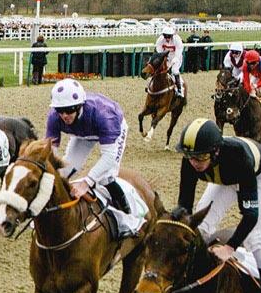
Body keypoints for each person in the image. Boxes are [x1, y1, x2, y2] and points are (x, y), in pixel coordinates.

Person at [175, 118, 261, 293]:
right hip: (224, 177)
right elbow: (185, 207)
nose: (194, 162)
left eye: (200, 157)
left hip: (257, 175)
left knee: (257, 236)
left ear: (215, 152)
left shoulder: (239, 158)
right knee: (200, 228)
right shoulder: (191, 161)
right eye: (190, 157)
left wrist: (230, 247)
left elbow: (250, 216)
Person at [44, 79, 140, 237]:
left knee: (106, 177)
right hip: (82, 134)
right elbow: (51, 153)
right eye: (60, 111)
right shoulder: (54, 117)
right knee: (63, 173)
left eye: (69, 110)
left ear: (79, 106)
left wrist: (86, 182)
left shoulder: (103, 115)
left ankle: (129, 218)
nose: (64, 116)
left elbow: (108, 157)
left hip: (112, 128)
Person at [154, 26, 186, 97]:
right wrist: (164, 59)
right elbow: (159, 50)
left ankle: (180, 89)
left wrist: (171, 63)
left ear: (172, 35)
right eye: (166, 36)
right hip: (167, 57)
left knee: (174, 70)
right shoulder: (160, 39)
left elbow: (178, 53)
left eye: (169, 36)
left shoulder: (177, 40)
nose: (167, 38)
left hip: (176, 57)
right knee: (157, 68)